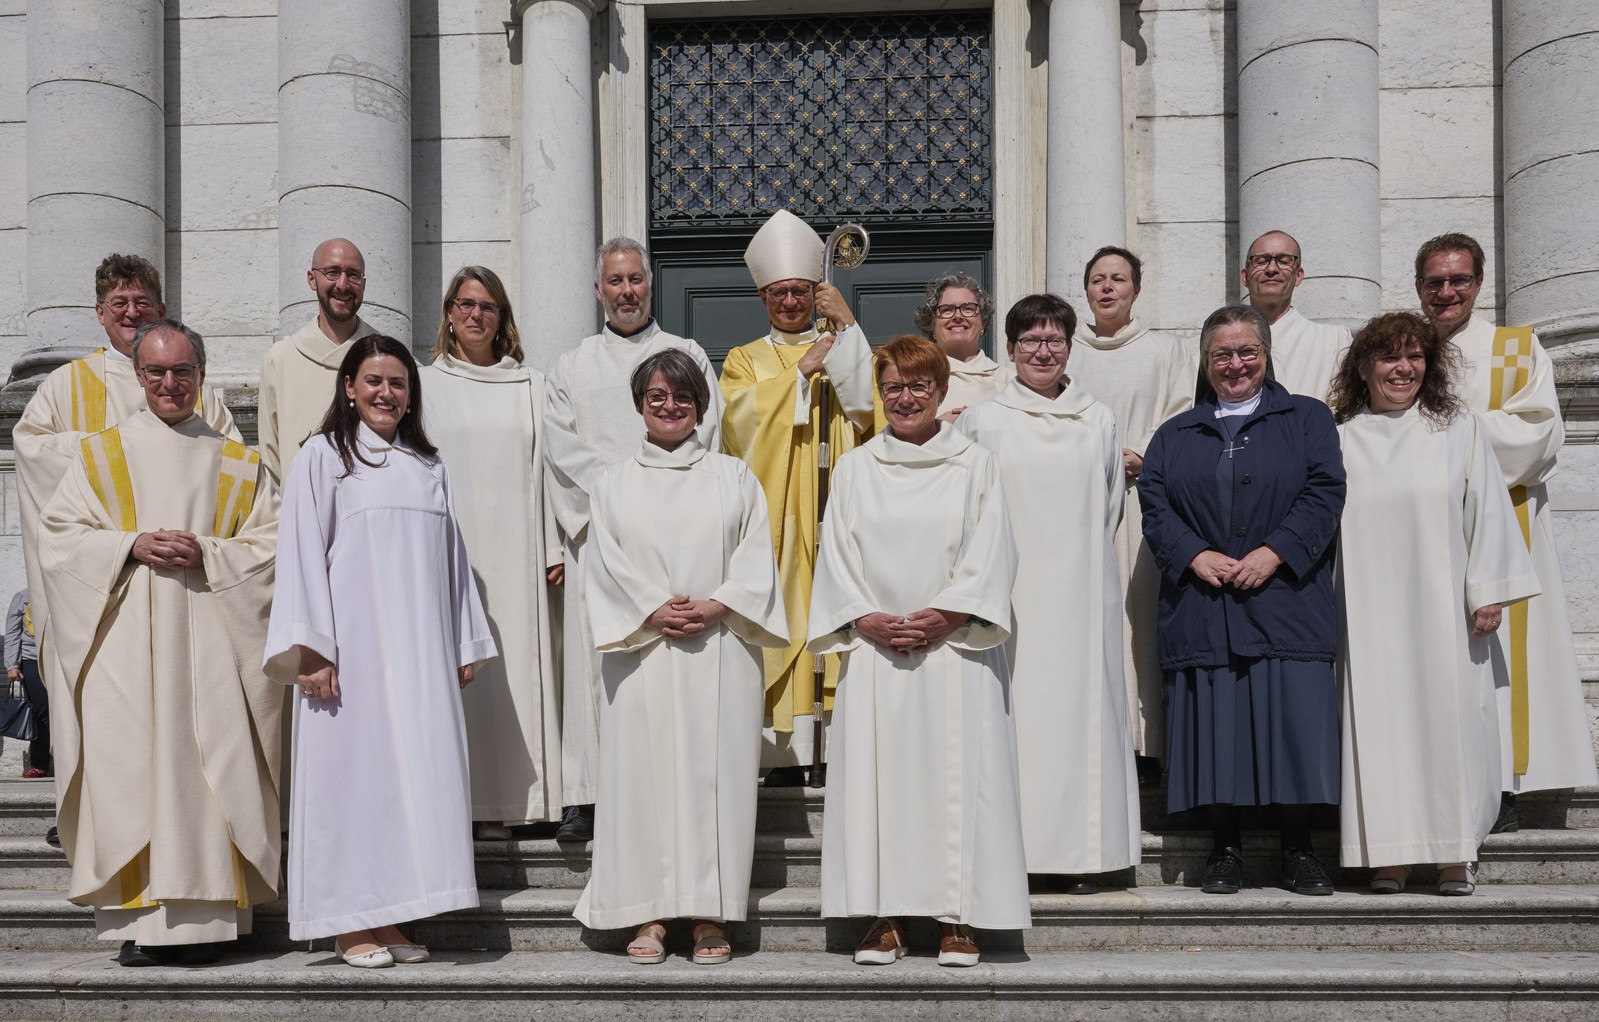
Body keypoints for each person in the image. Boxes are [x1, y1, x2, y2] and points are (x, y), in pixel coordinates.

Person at [38, 319, 280, 966]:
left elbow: (273, 547)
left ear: (202, 376)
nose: (170, 384)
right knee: (135, 775)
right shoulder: (98, 454)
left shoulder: (238, 462)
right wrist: (128, 544)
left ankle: (217, 923)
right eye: (155, 372)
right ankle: (144, 926)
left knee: (214, 773)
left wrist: (209, 552)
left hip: (214, 645)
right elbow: (58, 539)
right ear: (137, 376)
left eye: (182, 372)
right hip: (127, 647)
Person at [266, 335, 496, 968]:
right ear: (348, 387)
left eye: (398, 383)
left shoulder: (428, 463)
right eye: (373, 381)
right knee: (354, 783)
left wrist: (462, 638)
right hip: (352, 654)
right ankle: (347, 921)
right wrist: (311, 650)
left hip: (419, 652)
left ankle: (391, 916)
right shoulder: (323, 456)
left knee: (410, 784)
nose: (386, 393)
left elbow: (452, 559)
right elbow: (301, 551)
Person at [809, 334, 1028, 967]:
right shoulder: (856, 467)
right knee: (883, 786)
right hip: (879, 656)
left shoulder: (975, 464)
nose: (906, 398)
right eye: (894, 387)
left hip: (954, 651)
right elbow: (836, 558)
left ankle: (958, 918)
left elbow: (994, 549)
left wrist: (947, 614)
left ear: (941, 391)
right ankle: (885, 916)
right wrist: (867, 619)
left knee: (956, 782)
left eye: (918, 386)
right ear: (880, 394)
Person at [13, 253, 237, 846]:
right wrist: (115, 450)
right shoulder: (67, 385)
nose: (132, 312)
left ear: (160, 309)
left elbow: (234, 466)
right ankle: (90, 815)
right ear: (99, 314)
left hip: (182, 582)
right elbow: (30, 450)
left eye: (142, 302)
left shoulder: (196, 386)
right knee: (101, 706)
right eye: (120, 304)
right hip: (104, 579)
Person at [573, 349, 788, 965]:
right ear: (640, 404)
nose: (671, 406)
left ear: (701, 402)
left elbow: (755, 553)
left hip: (719, 649)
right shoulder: (612, 483)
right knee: (640, 781)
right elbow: (605, 561)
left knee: (710, 780)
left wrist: (718, 605)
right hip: (643, 651)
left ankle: (706, 914)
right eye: (657, 396)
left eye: (683, 395)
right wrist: (651, 609)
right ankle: (646, 914)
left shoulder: (733, 476)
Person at [1328, 312, 1539, 897]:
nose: (1403, 368)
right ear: (1364, 366)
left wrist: (1489, 589)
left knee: (1448, 722)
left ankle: (1453, 854)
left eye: (1415, 357)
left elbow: (1488, 510)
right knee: (1379, 723)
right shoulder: (1341, 435)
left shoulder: (1457, 429)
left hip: (1446, 610)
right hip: (1367, 610)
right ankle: (1388, 855)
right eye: (1390, 357)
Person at [1138, 305, 1346, 896]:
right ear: (1205, 363)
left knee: (1293, 722)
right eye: (1222, 355)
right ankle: (1223, 849)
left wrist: (1275, 552)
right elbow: (1155, 504)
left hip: (1286, 599)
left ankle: (1299, 849)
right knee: (1216, 724)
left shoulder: (1307, 419)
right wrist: (1193, 555)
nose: (1235, 364)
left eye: (1246, 352)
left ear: (1266, 355)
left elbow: (1325, 490)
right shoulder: (1176, 433)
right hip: (1205, 603)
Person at [1413, 232, 1599, 829]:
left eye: (1458, 280)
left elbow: (1538, 436)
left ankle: (1502, 787)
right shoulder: (1403, 348)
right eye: (1435, 282)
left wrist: (1438, 434)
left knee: (1500, 659)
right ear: (1419, 287)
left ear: (1479, 283)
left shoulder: (1517, 348)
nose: (1447, 292)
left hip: (1504, 524)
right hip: (1420, 529)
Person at [955, 295, 1140, 895]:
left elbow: (1111, 505)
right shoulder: (984, 421)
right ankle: (1018, 853)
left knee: (1084, 720)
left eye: (1054, 340)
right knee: (1019, 721)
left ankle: (1088, 857)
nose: (1042, 350)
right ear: (1009, 350)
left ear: (1069, 348)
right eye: (1030, 340)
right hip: (1012, 597)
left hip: (1085, 595)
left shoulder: (1100, 420)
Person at [544, 237, 723, 843]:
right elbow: (562, 452)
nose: (626, 291)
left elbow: (709, 436)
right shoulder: (573, 365)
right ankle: (585, 796)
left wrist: (660, 507)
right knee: (596, 665)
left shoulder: (687, 353)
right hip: (599, 537)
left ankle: (663, 788)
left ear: (651, 284)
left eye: (636, 280)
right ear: (598, 291)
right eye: (615, 282)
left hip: (674, 539)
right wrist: (620, 503)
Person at [720, 209, 881, 786]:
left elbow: (872, 413)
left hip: (835, 509)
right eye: (778, 293)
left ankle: (836, 749)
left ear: (817, 294)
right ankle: (784, 758)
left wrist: (848, 332)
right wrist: (797, 377)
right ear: (763, 296)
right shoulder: (743, 358)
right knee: (784, 619)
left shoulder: (846, 342)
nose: (790, 302)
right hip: (779, 515)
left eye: (800, 292)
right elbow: (733, 424)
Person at [420, 266, 561, 840]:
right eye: (466, 304)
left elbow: (552, 469)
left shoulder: (532, 384)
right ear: (449, 313)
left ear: (503, 318)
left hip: (519, 548)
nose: (477, 315)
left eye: (489, 307)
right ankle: (466, 804)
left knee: (517, 670)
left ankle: (520, 804)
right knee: (463, 672)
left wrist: (552, 545)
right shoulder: (424, 384)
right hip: (452, 548)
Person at [1068, 245, 1193, 774]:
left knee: (1139, 618)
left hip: (1143, 500)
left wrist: (1143, 452)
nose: (1108, 287)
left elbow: (1184, 412)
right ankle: (1093, 742)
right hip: (1076, 502)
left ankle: (1149, 747)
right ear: (1087, 289)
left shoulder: (1165, 350)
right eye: (1098, 279)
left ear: (1136, 290)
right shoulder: (1064, 349)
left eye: (1118, 279)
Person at [257, 237, 377, 484]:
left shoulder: (388, 358)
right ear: (312, 279)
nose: (342, 285)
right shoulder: (280, 360)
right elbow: (271, 463)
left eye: (353, 275)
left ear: (363, 284)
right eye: (332, 273)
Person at [1240, 230, 1351, 403]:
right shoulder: (1216, 347)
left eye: (1284, 261)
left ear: (1298, 276)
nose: (1271, 269)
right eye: (1261, 261)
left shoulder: (1335, 342)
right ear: (1245, 277)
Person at [914, 270, 1010, 420]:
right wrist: (937, 428)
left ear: (983, 322)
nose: (958, 316)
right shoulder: (911, 378)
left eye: (968, 309)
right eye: (947, 310)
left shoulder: (1009, 381)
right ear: (932, 324)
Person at [4, 589, 48, 779]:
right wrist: (12, 665)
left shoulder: (65, 584)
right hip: (31, 660)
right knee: (40, 712)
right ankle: (40, 764)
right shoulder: (23, 597)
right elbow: (13, 633)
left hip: (63, 659)